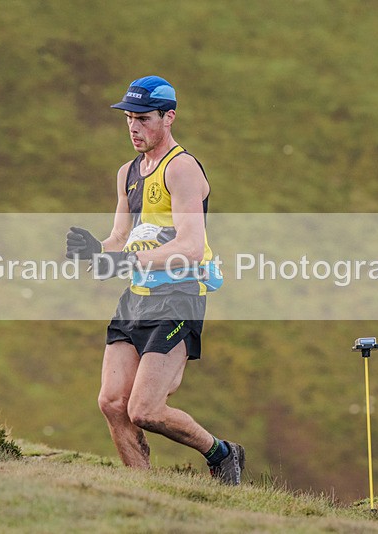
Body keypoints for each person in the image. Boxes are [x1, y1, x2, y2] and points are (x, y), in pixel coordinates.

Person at [65, 75, 244, 484]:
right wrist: (96, 250)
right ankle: (145, 491)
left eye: (143, 118)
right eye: (128, 118)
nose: (133, 127)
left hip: (180, 296)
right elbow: (121, 237)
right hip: (137, 297)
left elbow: (192, 246)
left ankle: (222, 453)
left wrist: (125, 260)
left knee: (145, 410)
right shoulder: (127, 172)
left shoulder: (181, 169)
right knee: (112, 402)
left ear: (168, 117)